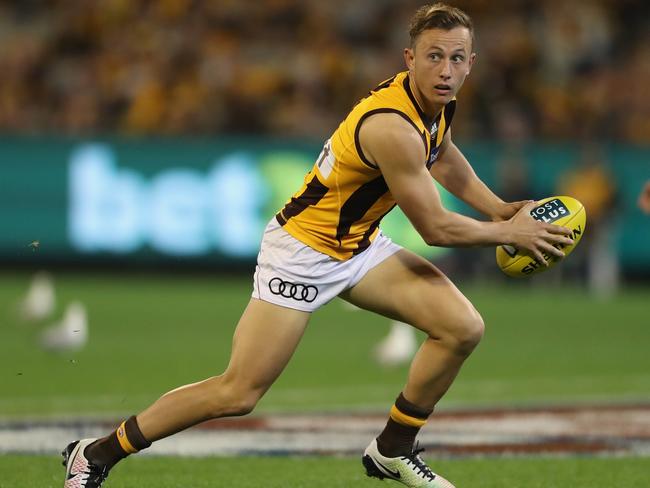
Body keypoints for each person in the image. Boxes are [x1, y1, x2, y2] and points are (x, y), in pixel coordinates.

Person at [61, 4, 573, 488]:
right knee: (238, 392)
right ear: (409, 59)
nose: (445, 69)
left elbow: (440, 155)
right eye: (434, 56)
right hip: (303, 252)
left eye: (457, 58)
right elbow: (437, 229)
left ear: (471, 64)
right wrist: (510, 232)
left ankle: (393, 449)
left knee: (462, 327)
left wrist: (500, 208)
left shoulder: (435, 102)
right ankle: (97, 453)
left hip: (358, 247)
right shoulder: (391, 126)